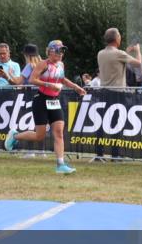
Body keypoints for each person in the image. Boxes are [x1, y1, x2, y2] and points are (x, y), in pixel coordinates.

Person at [5, 40, 87, 173]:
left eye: (63, 51)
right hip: (41, 100)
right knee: (39, 136)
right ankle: (15, 136)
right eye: (58, 51)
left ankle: (60, 165)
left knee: (59, 132)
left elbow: (62, 79)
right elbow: (32, 79)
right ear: (50, 51)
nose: (61, 54)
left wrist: (76, 87)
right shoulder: (43, 64)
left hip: (54, 100)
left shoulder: (60, 65)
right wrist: (49, 85)